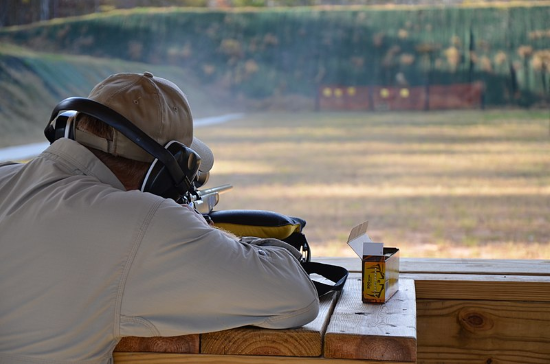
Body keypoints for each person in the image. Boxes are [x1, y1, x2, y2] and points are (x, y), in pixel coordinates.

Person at [0, 72, 319, 364]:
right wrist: (193, 225)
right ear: (163, 173)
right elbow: (295, 298)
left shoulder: (6, 176)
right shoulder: (143, 223)